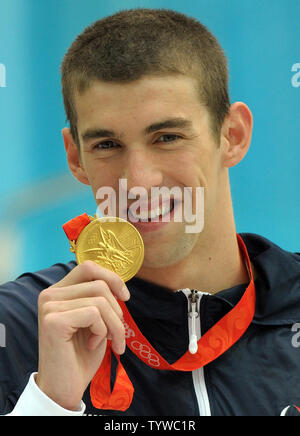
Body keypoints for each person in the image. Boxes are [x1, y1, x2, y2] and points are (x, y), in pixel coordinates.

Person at [1, 8, 300, 417]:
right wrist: (49, 403)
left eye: (167, 137)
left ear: (232, 136)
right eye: (107, 145)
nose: (138, 182)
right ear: (75, 156)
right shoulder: (17, 327)